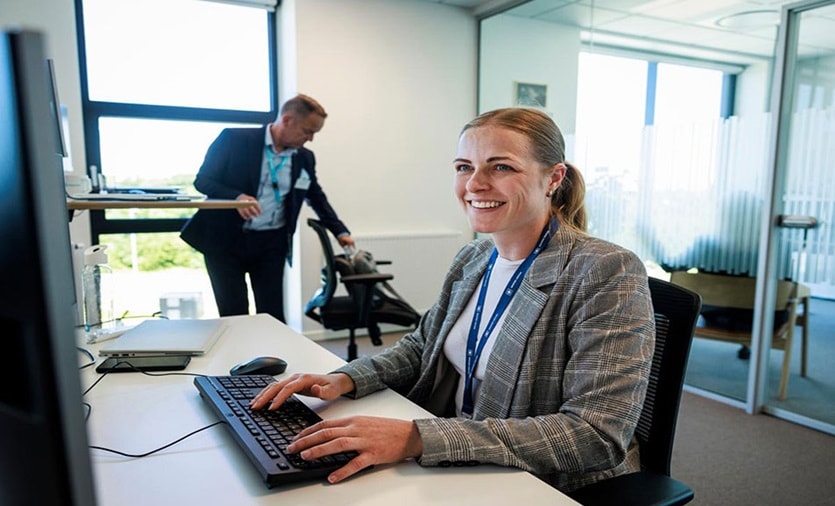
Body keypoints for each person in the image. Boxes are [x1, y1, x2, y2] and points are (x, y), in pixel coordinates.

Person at [250, 107, 656, 494]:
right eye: (464, 167)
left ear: (553, 178)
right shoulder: (474, 257)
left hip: (541, 482)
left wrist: (416, 437)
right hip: (459, 452)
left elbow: (595, 434)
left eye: (501, 167)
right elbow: (420, 347)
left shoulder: (604, 270)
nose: (475, 184)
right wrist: (346, 378)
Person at [180, 94, 354, 322]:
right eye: (307, 130)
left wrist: (340, 231)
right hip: (225, 242)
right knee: (233, 314)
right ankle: (238, 358)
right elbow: (203, 180)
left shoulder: (304, 158)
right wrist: (237, 198)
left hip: (271, 243)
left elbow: (316, 197)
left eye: (315, 133)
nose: (310, 139)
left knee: (271, 315)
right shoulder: (234, 139)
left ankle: (273, 358)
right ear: (288, 120)